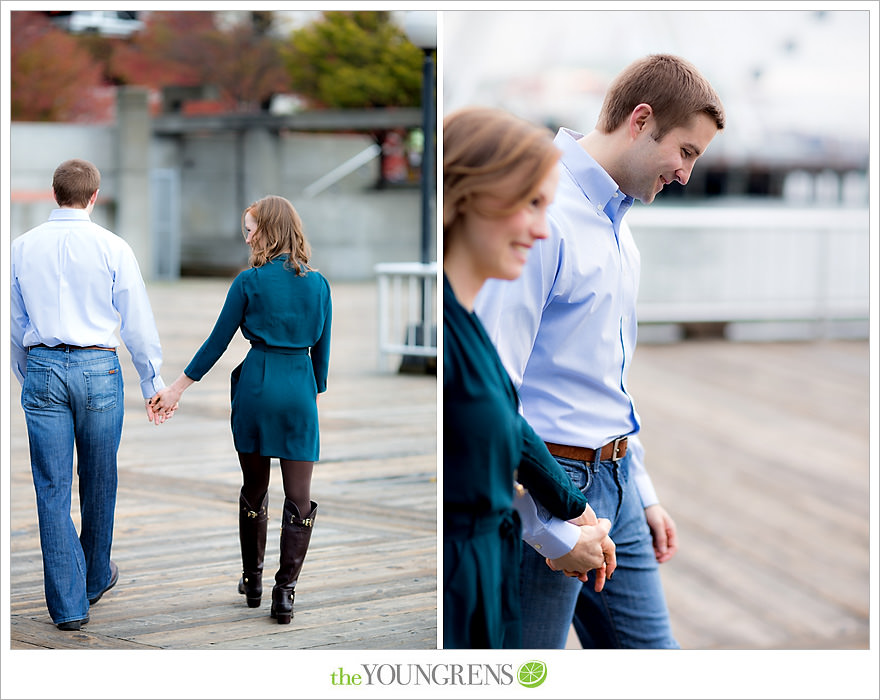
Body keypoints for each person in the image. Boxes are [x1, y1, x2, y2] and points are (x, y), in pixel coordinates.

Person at [475, 54, 726, 649]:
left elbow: (604, 380)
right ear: (641, 120)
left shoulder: (618, 226)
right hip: (542, 491)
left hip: (619, 482)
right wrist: (552, 531)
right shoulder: (540, 214)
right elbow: (489, 395)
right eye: (686, 152)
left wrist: (642, 492)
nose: (687, 174)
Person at [443, 106, 617, 649]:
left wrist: (574, 507)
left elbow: (510, 430)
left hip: (486, 582)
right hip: (459, 589)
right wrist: (555, 530)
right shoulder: (451, 335)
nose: (543, 228)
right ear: (474, 194)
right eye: (532, 204)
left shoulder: (465, 326)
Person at [150, 195, 331, 625]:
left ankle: (252, 580)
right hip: (299, 388)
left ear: (268, 229)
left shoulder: (248, 282)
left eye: (250, 228)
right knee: (299, 499)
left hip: (255, 386)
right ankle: (283, 593)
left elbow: (217, 343)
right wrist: (309, 391)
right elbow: (322, 355)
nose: (246, 236)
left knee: (255, 486)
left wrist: (176, 389)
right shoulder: (319, 284)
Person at [10, 158, 170, 631]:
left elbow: (14, 321)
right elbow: (136, 318)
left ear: (53, 193)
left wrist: (28, 374)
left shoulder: (21, 247)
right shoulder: (113, 246)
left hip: (42, 366)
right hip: (98, 366)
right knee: (99, 478)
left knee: (51, 488)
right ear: (94, 196)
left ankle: (68, 607)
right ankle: (96, 575)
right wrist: (151, 379)